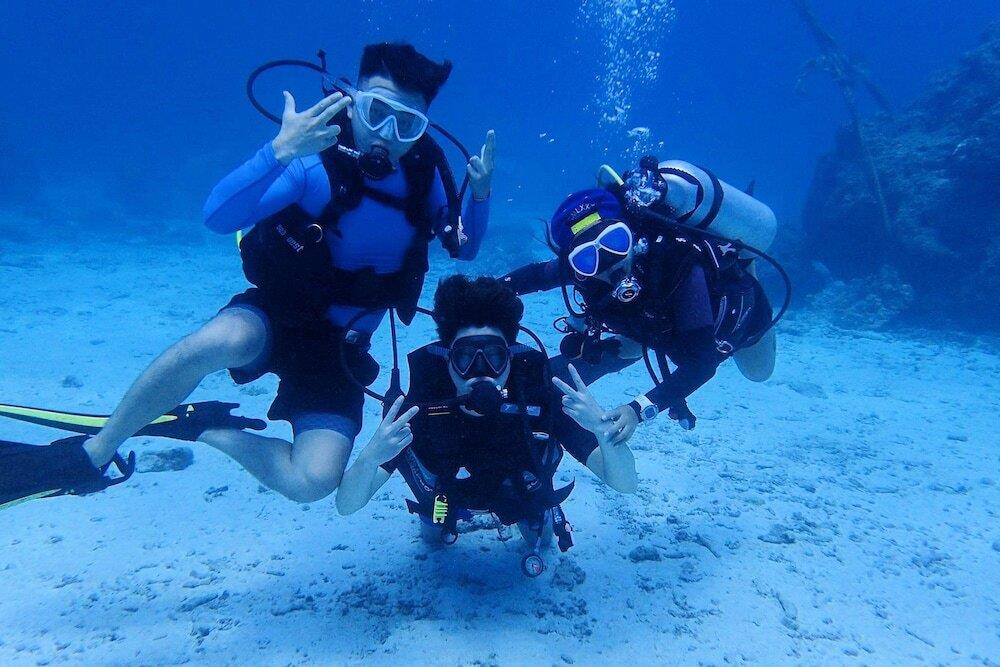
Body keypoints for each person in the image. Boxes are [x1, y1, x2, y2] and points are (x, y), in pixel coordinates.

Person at [0, 42, 496, 509]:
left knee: (313, 482)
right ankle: (95, 452)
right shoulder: (313, 160)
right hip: (275, 314)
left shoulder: (425, 178)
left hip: (340, 351)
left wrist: (479, 195)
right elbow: (217, 217)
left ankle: (202, 428)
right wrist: (278, 151)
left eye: (406, 124)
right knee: (213, 344)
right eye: (376, 112)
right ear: (352, 103)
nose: (387, 134)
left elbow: (465, 248)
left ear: (422, 128)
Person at [335, 276, 637, 569]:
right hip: (445, 496)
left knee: (543, 540)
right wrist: (369, 457)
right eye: (465, 357)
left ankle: (535, 515)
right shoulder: (420, 408)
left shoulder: (539, 399)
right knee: (431, 540)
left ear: (511, 359)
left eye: (494, 356)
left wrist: (602, 431)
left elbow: (625, 483)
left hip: (519, 493)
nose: (481, 370)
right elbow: (347, 505)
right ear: (447, 360)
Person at [503, 175, 777, 446]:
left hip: (736, 322)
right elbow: (536, 276)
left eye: (615, 242)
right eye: (587, 257)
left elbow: (702, 365)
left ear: (632, 235)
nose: (609, 261)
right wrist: (483, 290)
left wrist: (637, 410)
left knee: (758, 373)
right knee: (625, 346)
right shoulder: (581, 273)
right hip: (656, 328)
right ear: (575, 264)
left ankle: (746, 263)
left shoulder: (677, 263)